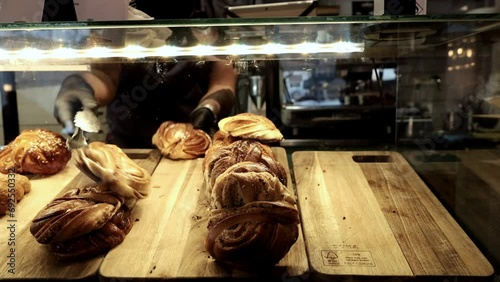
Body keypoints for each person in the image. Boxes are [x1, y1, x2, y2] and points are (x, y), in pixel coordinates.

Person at [53, 0, 238, 148]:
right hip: (129, 147)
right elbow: (105, 75)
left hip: (194, 140)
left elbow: (223, 80)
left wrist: (209, 108)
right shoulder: (115, 7)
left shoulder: (211, 9)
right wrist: (79, 87)